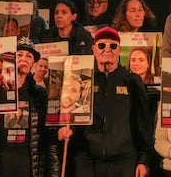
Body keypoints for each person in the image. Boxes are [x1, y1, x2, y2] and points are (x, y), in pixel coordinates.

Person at [58, 27, 154, 177]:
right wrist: (64, 130)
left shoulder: (132, 80)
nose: (107, 50)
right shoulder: (82, 78)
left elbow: (142, 124)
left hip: (124, 161)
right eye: (102, 45)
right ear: (94, 49)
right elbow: (70, 113)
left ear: (119, 50)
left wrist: (143, 159)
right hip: (87, 160)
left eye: (113, 46)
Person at [0, 38, 58, 177]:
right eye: (19, 54)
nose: (24, 59)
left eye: (29, 56)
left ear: (34, 63)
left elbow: (50, 140)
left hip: (29, 168)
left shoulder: (40, 95)